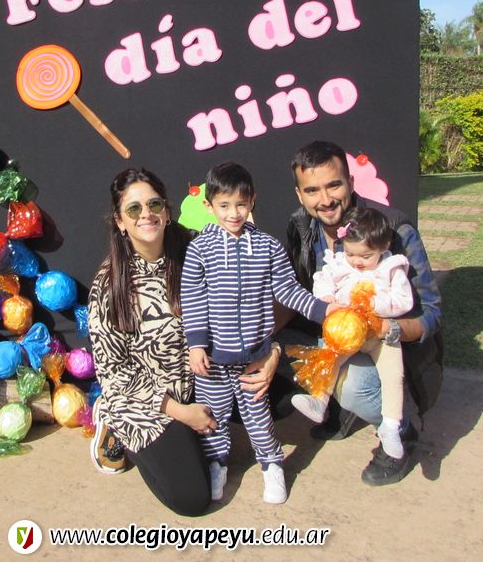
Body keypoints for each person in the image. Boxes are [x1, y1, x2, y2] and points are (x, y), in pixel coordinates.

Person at [87, 167, 280, 516]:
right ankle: (112, 424)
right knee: (192, 498)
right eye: (133, 208)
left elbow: (259, 292)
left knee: (279, 398)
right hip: (149, 399)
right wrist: (182, 413)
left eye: (154, 204)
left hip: (210, 376)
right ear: (119, 220)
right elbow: (113, 371)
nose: (146, 214)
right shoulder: (109, 284)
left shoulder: (200, 247)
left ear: (167, 209)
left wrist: (272, 353)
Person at [276, 140, 443, 487]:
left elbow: (432, 313)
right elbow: (294, 296)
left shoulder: (393, 229)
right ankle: (340, 408)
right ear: (299, 194)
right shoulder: (300, 227)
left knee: (354, 387)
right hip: (337, 335)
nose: (325, 199)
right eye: (312, 190)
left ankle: (400, 433)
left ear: (351, 183)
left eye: (334, 185)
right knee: (275, 346)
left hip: (387, 342)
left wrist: (387, 328)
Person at [181, 162, 339, 505]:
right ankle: (217, 464)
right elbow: (192, 300)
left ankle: (272, 465)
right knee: (213, 418)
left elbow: (288, 290)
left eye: (241, 204)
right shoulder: (199, 250)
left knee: (259, 419)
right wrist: (195, 345)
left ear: (252, 201)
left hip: (254, 358)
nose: (233, 213)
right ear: (209, 206)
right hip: (212, 361)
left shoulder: (268, 247)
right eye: (224, 205)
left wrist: (325, 312)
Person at [291, 206, 413, 463]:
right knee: (329, 357)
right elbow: (322, 278)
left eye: (366, 256)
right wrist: (325, 296)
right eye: (350, 253)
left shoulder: (391, 268)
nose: (357, 261)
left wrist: (375, 303)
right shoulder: (339, 263)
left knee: (393, 374)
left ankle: (392, 426)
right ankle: (319, 400)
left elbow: (404, 301)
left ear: (384, 247)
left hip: (379, 334)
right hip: (348, 331)